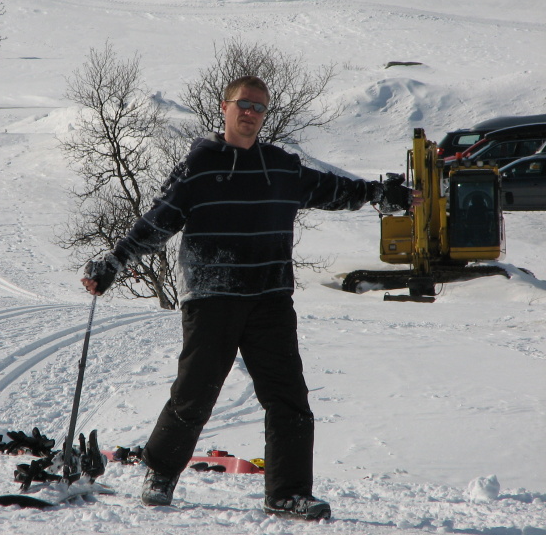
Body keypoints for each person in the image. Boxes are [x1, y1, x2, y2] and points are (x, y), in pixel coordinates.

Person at [81, 75, 413, 521]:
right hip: (211, 295)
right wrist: (113, 263)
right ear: (225, 107)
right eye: (244, 104)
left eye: (260, 107)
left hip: (270, 298)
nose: (252, 113)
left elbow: (334, 190)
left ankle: (288, 493)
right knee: (195, 393)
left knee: (288, 397)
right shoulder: (200, 165)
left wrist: (377, 194)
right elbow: (157, 222)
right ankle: (160, 472)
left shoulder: (280, 167)